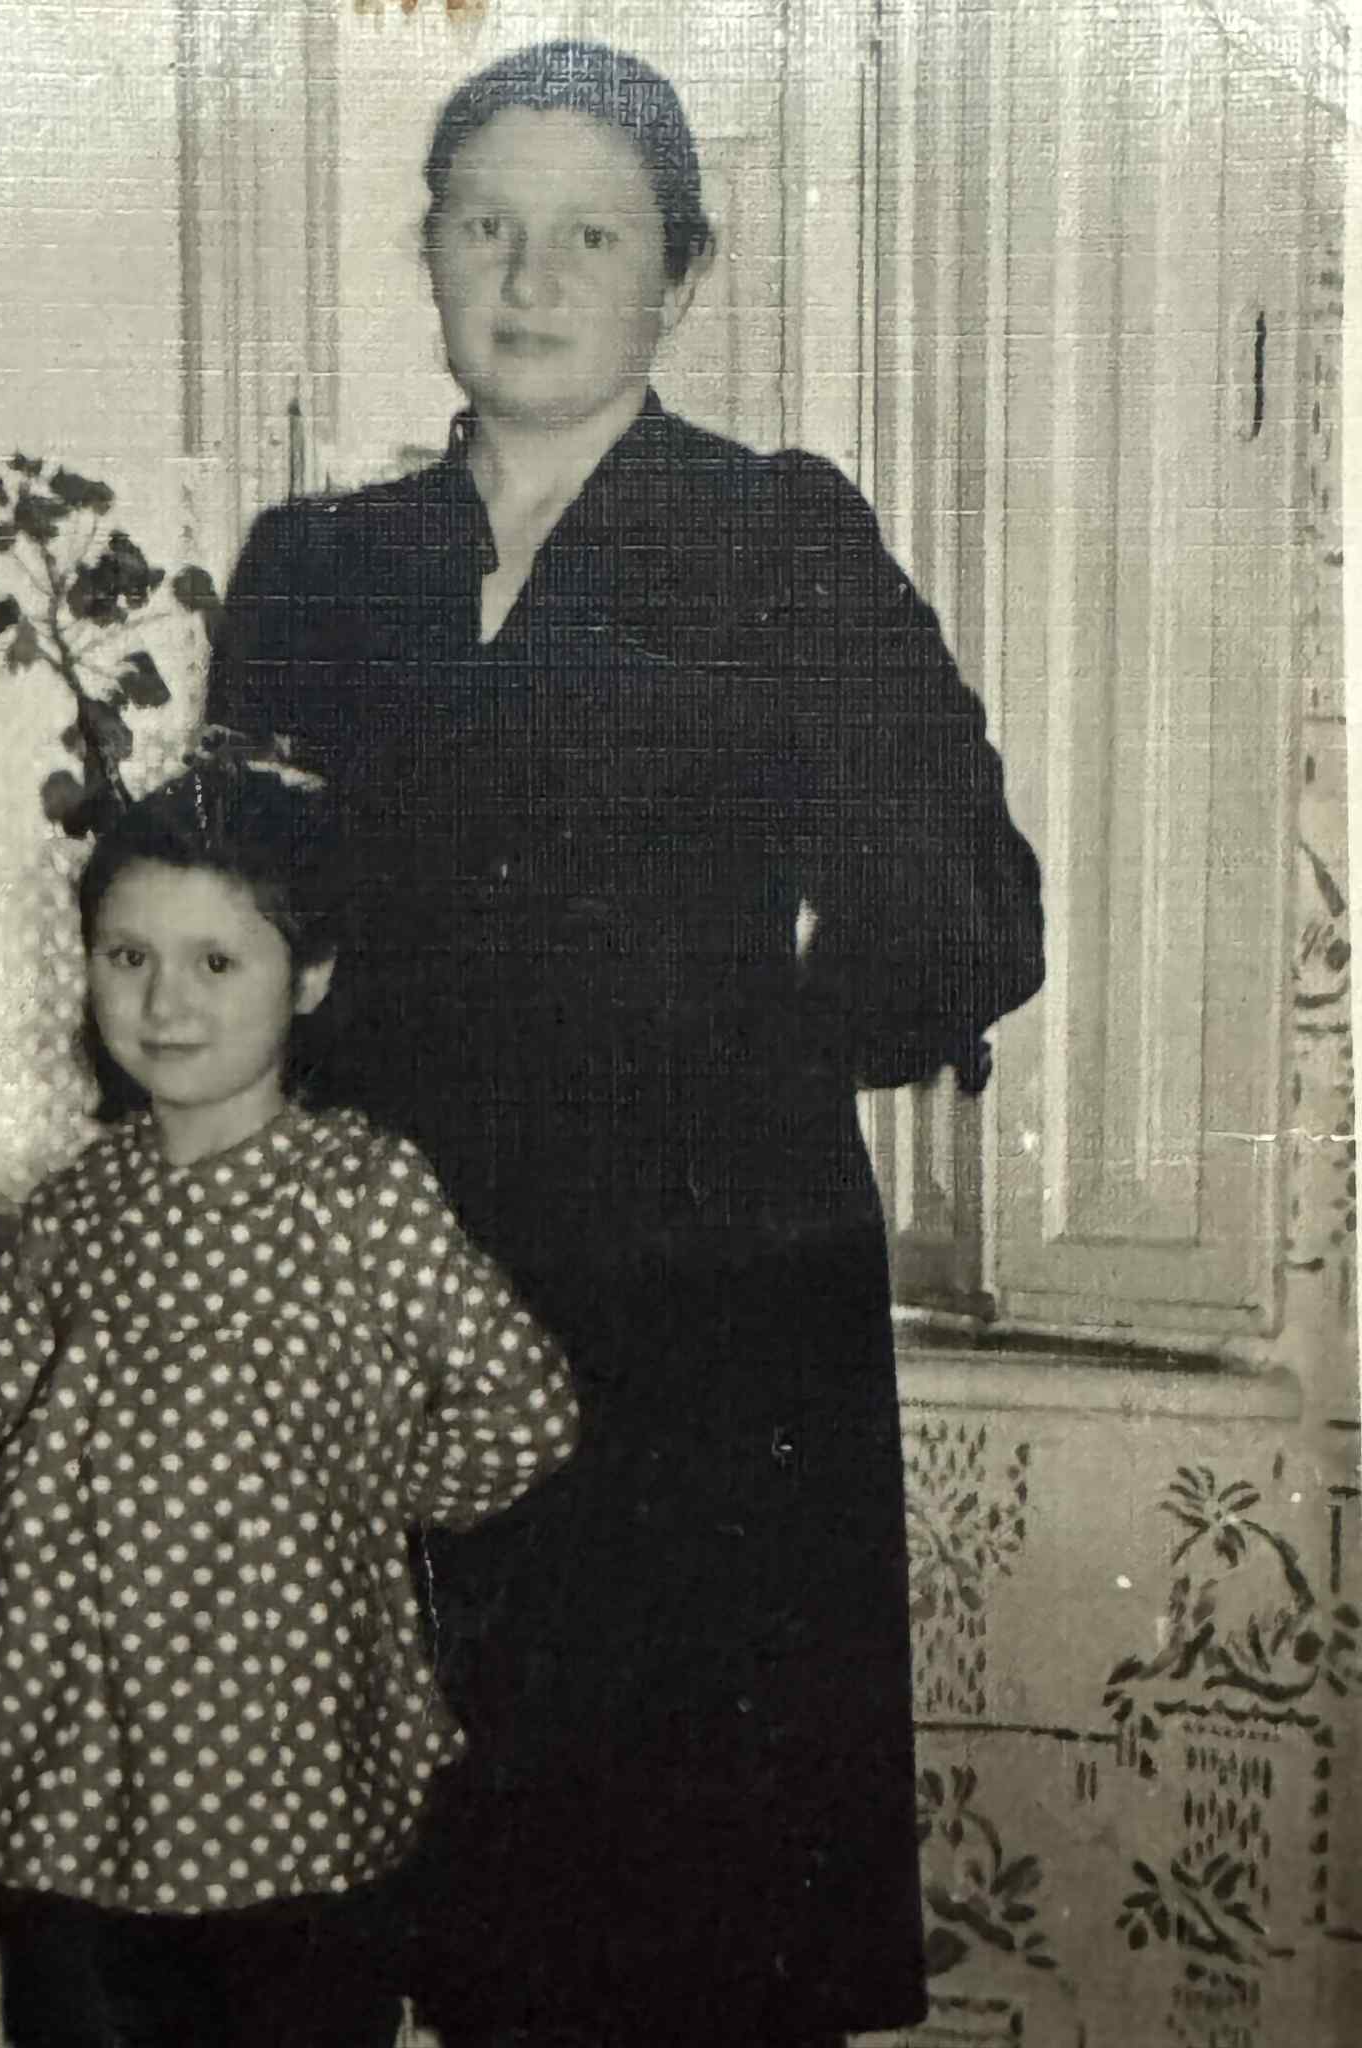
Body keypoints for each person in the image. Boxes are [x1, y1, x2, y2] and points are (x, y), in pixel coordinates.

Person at [206, 37, 1045, 2048]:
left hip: (700, 1350)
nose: (530, 275)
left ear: (682, 272)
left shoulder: (776, 538)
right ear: (428, 251)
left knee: (680, 1938)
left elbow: (971, 910)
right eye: (486, 224)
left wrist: (723, 1055)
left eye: (591, 234)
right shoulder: (319, 570)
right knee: (390, 1927)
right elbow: (228, 944)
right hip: (391, 1328)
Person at [0, 757, 579, 2048]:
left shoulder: (359, 1193)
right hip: (81, 1774)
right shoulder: (68, 1214)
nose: (164, 1002)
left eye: (215, 962)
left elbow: (525, 1407)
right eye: (128, 956)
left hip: (290, 1770)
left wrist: (375, 1486)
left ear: (311, 977)